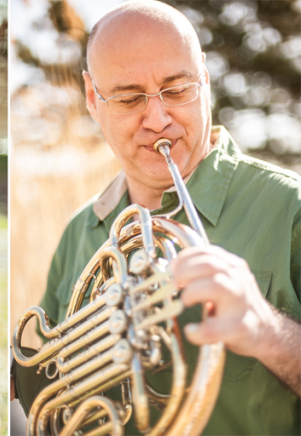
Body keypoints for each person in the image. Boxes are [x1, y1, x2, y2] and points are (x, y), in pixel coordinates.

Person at [16, 1, 300, 435]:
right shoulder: (80, 231)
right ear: (93, 99)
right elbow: (58, 402)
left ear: (204, 79)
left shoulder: (289, 208)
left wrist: (267, 331)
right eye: (129, 98)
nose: (159, 118)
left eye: (177, 89)